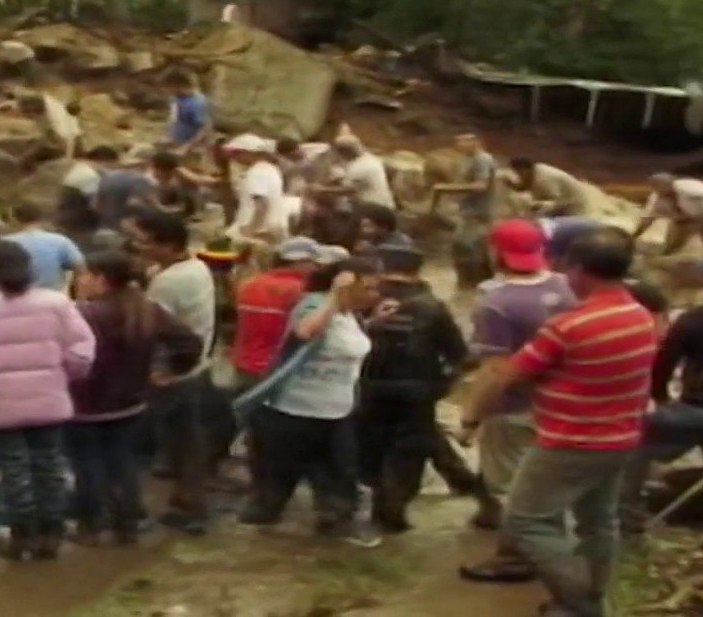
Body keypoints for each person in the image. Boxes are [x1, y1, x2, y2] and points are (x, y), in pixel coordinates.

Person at [461, 227, 657, 617]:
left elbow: (506, 374)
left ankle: (580, 603)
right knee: (597, 523)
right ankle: (594, 595)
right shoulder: (638, 314)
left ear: (578, 269)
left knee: (524, 521)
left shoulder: (568, 326)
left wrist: (470, 417)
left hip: (569, 439)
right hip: (621, 437)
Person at [0, 240, 96, 560]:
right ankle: (51, 533)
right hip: (50, 399)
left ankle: (22, 535)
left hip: (0, 403)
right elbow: (82, 348)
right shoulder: (57, 303)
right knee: (49, 464)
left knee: (14, 469)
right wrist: (65, 376)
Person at [458, 219, 578, 584]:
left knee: (513, 487)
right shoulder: (569, 287)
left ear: (495, 252)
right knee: (547, 483)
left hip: (515, 407)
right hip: (564, 403)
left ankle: (516, 559)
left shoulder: (496, 304)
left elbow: (496, 372)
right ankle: (555, 548)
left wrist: (471, 417)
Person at [237, 257, 384, 547]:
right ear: (343, 285)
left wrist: (374, 320)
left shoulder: (349, 314)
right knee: (275, 489)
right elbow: (305, 332)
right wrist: (333, 296)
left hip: (336, 412)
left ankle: (335, 530)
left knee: (341, 475)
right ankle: (256, 542)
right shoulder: (314, 304)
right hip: (292, 412)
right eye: (367, 288)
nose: (374, 295)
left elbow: (345, 346)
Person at [72, 250, 203, 545]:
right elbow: (189, 343)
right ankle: (127, 523)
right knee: (123, 462)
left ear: (101, 279)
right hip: (130, 403)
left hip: (85, 404)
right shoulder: (146, 309)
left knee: (87, 465)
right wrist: (170, 369)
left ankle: (91, 526)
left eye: (84, 274)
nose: (79, 280)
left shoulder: (83, 314)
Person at [625, 254, 703, 557]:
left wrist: (660, 398)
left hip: (696, 410)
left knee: (633, 448)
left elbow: (663, 364)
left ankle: (626, 519)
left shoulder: (697, 319)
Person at [358, 244, 472, 534]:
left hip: (368, 390)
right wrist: (447, 383)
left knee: (372, 449)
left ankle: (376, 508)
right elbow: (459, 354)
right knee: (408, 454)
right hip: (417, 394)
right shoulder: (432, 306)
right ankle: (393, 513)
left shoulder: (363, 299)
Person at [132, 210, 218, 534]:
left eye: (145, 242)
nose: (139, 248)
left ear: (167, 246)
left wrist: (155, 370)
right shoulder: (197, 267)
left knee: (182, 443)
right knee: (189, 442)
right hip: (195, 367)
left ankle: (191, 506)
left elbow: (153, 330)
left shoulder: (168, 282)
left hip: (173, 372)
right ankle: (187, 500)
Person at [231, 237, 335, 387]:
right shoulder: (300, 290)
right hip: (275, 368)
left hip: (242, 362)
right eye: (313, 263)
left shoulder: (250, 284)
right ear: (299, 261)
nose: (316, 269)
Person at [432, 133, 500, 289]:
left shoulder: (482, 159)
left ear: (475, 142)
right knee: (478, 247)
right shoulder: (469, 159)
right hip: (470, 209)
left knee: (463, 245)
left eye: (462, 142)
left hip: (478, 211)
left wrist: (446, 188)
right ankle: (482, 281)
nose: (457, 145)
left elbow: (480, 186)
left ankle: (470, 282)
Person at [633, 173, 703, 255]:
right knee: (671, 246)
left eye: (664, 185)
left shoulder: (688, 187)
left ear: (671, 183)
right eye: (656, 186)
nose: (660, 189)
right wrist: (634, 236)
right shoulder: (656, 199)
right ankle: (668, 259)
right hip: (682, 219)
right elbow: (648, 219)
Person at [3, 201, 85, 292]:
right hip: (53, 299)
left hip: (15, 301)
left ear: (15, 219)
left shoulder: (5, 243)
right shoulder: (60, 241)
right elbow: (80, 268)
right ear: (40, 219)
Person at [225, 134, 289, 252]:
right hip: (273, 227)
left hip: (260, 229)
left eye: (237, 154)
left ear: (249, 153)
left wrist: (251, 231)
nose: (235, 158)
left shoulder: (257, 173)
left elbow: (262, 205)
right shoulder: (271, 169)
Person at [312, 126, 396, 210]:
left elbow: (349, 190)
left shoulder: (358, 168)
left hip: (373, 209)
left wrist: (323, 189)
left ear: (345, 152)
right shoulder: (370, 158)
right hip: (385, 204)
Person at [505, 157, 589, 217]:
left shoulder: (543, 177)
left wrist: (535, 207)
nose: (518, 175)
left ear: (525, 169)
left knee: (536, 214)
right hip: (561, 201)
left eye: (519, 172)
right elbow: (526, 187)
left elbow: (554, 200)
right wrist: (513, 185)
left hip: (573, 205)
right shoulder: (535, 171)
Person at [96, 152, 156, 233]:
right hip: (126, 228)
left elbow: (97, 204)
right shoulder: (139, 180)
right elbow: (138, 203)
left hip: (104, 224)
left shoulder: (107, 177)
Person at [167, 72, 213, 151]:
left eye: (170, 87)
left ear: (178, 86)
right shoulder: (176, 98)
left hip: (191, 147)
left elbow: (205, 128)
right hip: (176, 142)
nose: (168, 90)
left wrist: (187, 147)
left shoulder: (198, 103)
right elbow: (174, 118)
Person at [149, 151, 198, 218]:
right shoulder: (154, 184)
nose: (154, 173)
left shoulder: (178, 186)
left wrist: (161, 209)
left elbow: (183, 208)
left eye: (155, 168)